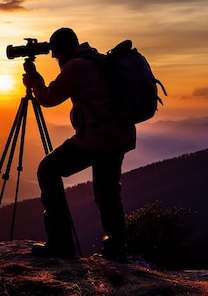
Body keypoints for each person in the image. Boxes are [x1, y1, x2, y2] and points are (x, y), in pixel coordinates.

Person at [22, 27, 135, 263]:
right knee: (108, 191)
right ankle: (117, 247)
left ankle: (61, 243)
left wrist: (34, 79)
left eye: (56, 56)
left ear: (61, 52)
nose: (57, 61)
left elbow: (48, 98)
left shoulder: (76, 66)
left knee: (48, 169)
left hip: (97, 136)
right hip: (120, 134)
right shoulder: (98, 60)